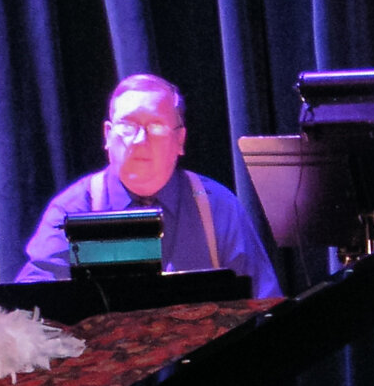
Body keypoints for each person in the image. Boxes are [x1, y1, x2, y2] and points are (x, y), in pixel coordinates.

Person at [18, 73, 282, 297]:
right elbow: (31, 305)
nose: (140, 140)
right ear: (107, 135)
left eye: (156, 126)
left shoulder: (217, 206)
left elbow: (262, 304)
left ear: (180, 140)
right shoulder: (73, 209)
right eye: (128, 126)